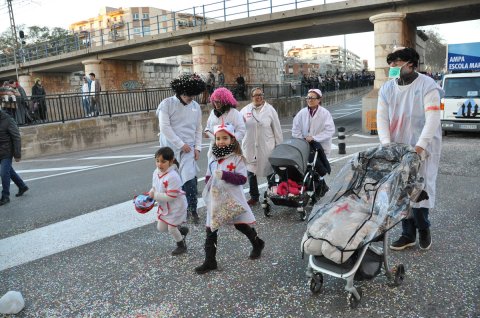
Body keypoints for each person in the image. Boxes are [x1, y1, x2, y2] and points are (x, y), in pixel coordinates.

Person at [377, 47, 443, 251]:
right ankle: (407, 234)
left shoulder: (427, 85)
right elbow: (382, 118)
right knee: (401, 190)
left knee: (420, 189)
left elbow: (432, 118)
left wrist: (420, 147)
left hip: (423, 145)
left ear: (411, 64)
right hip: (398, 146)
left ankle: (424, 228)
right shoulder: (387, 89)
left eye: (397, 63)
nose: (393, 67)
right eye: (391, 64)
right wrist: (387, 145)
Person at [195, 122, 265, 274]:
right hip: (216, 198)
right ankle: (210, 261)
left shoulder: (237, 158)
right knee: (210, 228)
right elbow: (208, 175)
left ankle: (257, 243)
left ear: (232, 139)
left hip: (233, 197)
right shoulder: (212, 156)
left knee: (240, 225)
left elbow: (242, 179)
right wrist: (209, 183)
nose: (220, 141)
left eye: (224, 138)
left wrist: (225, 175)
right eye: (218, 138)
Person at [156, 73, 205, 224]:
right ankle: (172, 210)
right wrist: (180, 144)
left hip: (189, 149)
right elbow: (165, 127)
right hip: (170, 148)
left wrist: (197, 147)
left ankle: (192, 210)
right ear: (180, 91)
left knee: (190, 180)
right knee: (170, 180)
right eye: (188, 95)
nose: (191, 98)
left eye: (193, 95)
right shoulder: (167, 104)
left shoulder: (195, 106)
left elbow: (198, 128)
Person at [240, 87, 283, 206]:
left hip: (266, 147)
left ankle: (273, 194)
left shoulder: (270, 110)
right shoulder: (244, 110)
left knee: (270, 171)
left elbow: (277, 130)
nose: (258, 97)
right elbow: (239, 127)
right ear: (251, 97)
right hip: (250, 147)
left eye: (260, 95)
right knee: (251, 173)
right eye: (256, 95)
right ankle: (254, 196)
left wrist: (279, 147)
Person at [292, 88, 335, 198]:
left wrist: (315, 138)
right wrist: (302, 139)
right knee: (309, 169)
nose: (309, 100)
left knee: (318, 168)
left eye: (312, 98)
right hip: (305, 145)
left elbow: (330, 130)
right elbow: (295, 129)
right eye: (308, 98)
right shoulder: (302, 113)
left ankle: (319, 190)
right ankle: (319, 189)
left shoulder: (325, 113)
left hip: (321, 145)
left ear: (319, 100)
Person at [148, 147, 189, 256]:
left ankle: (181, 245)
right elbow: (154, 186)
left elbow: (171, 196)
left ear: (171, 161)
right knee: (161, 228)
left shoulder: (173, 176)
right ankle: (181, 232)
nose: (159, 164)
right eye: (157, 161)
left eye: (163, 161)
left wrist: (155, 195)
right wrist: (150, 193)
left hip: (176, 206)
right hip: (165, 205)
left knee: (171, 228)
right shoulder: (156, 172)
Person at [204, 87, 245, 158]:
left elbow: (241, 131)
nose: (216, 104)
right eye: (214, 101)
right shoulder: (212, 113)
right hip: (214, 150)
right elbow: (207, 129)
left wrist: (228, 140)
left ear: (225, 101)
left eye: (218, 101)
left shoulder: (234, 113)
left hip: (231, 150)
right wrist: (214, 138)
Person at [0, 109, 29, 206]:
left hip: (7, 152)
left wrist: (17, 154)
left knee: (4, 173)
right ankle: (22, 186)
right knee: (9, 171)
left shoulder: (8, 120)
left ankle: (5, 196)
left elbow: (16, 137)